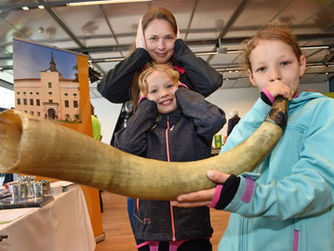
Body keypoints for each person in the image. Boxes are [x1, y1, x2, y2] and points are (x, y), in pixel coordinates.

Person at [172, 26, 334, 251]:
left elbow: (316, 188)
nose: (274, 75)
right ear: (251, 76)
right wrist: (261, 108)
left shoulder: (324, 111)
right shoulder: (253, 119)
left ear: (302, 65)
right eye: (262, 68)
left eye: (284, 63)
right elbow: (227, 163)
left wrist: (245, 195)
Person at [114, 64, 226, 251]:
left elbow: (214, 119)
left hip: (193, 228)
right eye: (154, 91)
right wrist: (146, 107)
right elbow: (125, 146)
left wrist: (182, 94)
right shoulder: (143, 131)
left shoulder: (195, 126)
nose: (164, 93)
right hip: (152, 230)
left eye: (169, 86)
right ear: (144, 99)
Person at [97, 7, 222, 145]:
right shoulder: (134, 75)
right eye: (153, 38)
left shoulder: (186, 75)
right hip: (145, 156)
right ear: (142, 40)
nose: (161, 46)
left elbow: (212, 82)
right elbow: (107, 90)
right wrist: (139, 53)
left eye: (168, 38)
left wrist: (181, 48)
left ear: (177, 38)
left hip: (186, 154)